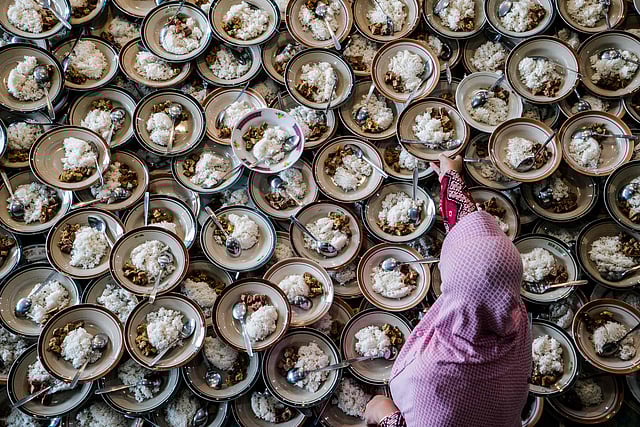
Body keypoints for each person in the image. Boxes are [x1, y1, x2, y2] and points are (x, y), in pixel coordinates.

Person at [364, 154, 531, 427]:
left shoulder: (433, 371)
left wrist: (384, 414)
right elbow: (476, 249)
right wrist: (450, 177)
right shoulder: (514, 316)